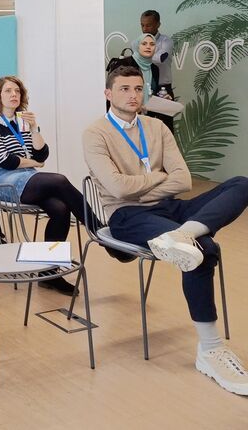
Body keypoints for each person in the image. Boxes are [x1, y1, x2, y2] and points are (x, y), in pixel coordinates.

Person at [83, 65, 248, 396]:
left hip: (172, 209)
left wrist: (140, 186)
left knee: (241, 184)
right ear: (108, 94)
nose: (133, 95)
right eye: (125, 88)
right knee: (205, 251)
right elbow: (116, 189)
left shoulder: (157, 127)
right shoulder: (95, 133)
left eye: (138, 88)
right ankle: (210, 350)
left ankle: (184, 233)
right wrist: (157, 180)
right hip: (127, 215)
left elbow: (184, 179)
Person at [0, 76, 94, 296]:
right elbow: (5, 161)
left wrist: (33, 128)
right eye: (8, 91)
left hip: (26, 178)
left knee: (61, 210)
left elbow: (43, 154)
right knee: (59, 180)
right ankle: (97, 228)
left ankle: (49, 275)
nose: (14, 95)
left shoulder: (23, 122)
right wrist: (34, 163)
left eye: (17, 92)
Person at [110, 34, 173, 130]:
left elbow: (150, 92)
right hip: (126, 120)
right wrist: (135, 107)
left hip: (147, 119)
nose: (148, 47)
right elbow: (116, 93)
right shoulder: (124, 64)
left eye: (152, 44)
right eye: (144, 44)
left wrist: (163, 100)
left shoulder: (154, 68)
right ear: (137, 46)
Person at [137, 10, 174, 99]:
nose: (145, 29)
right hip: (144, 87)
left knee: (163, 113)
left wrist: (140, 55)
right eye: (142, 25)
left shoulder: (166, 41)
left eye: (148, 25)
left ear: (158, 24)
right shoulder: (138, 42)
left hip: (163, 89)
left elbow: (160, 58)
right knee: (143, 113)